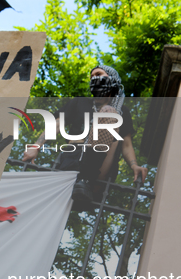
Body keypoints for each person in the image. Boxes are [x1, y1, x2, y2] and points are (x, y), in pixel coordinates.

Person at [22, 65, 148, 206]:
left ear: (112, 79)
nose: (94, 78)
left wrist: (134, 165)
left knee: (109, 112)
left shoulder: (122, 111)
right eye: (91, 77)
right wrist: (36, 146)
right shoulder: (79, 102)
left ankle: (86, 180)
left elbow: (126, 144)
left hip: (100, 167)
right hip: (71, 159)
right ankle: (80, 181)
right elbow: (56, 124)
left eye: (99, 74)